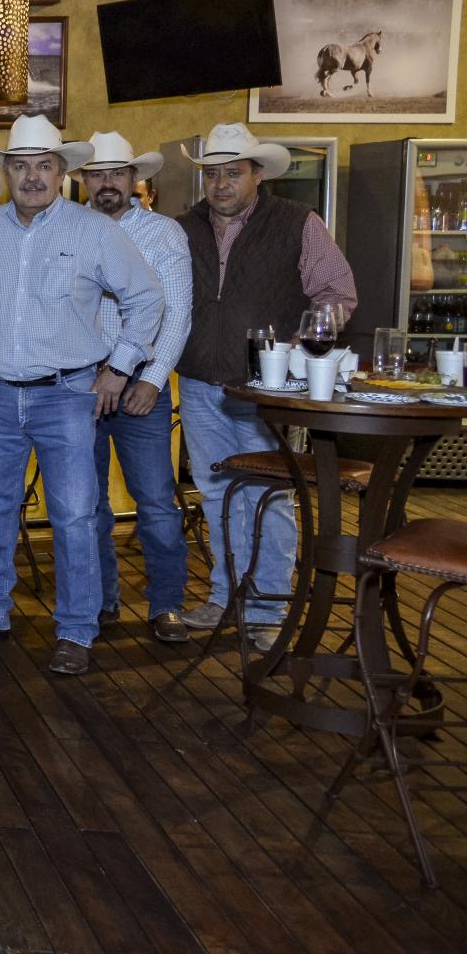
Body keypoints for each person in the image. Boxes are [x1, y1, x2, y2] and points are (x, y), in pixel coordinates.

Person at [0, 116, 163, 677]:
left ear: (63, 172)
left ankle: (77, 631)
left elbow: (147, 300)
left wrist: (119, 368)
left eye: (44, 166)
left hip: (66, 395)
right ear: (4, 171)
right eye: (21, 166)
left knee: (73, 518)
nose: (32, 176)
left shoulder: (94, 231)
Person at [174, 123, 357, 647]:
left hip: (266, 388)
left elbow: (337, 292)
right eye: (213, 174)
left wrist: (302, 345)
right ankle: (224, 597)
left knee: (270, 493)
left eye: (233, 173)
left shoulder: (298, 223)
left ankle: (267, 610)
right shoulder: (183, 226)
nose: (222, 184)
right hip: (200, 378)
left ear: (258, 175)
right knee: (214, 489)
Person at [77, 132, 194, 644]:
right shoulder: (68, 229)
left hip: (140, 386)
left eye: (117, 173)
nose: (107, 183)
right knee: (87, 504)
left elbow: (177, 314)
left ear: (134, 180)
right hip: (78, 384)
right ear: (83, 179)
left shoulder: (164, 233)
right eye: (97, 174)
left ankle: (166, 604)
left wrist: (148, 378)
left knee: (155, 503)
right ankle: (102, 601)